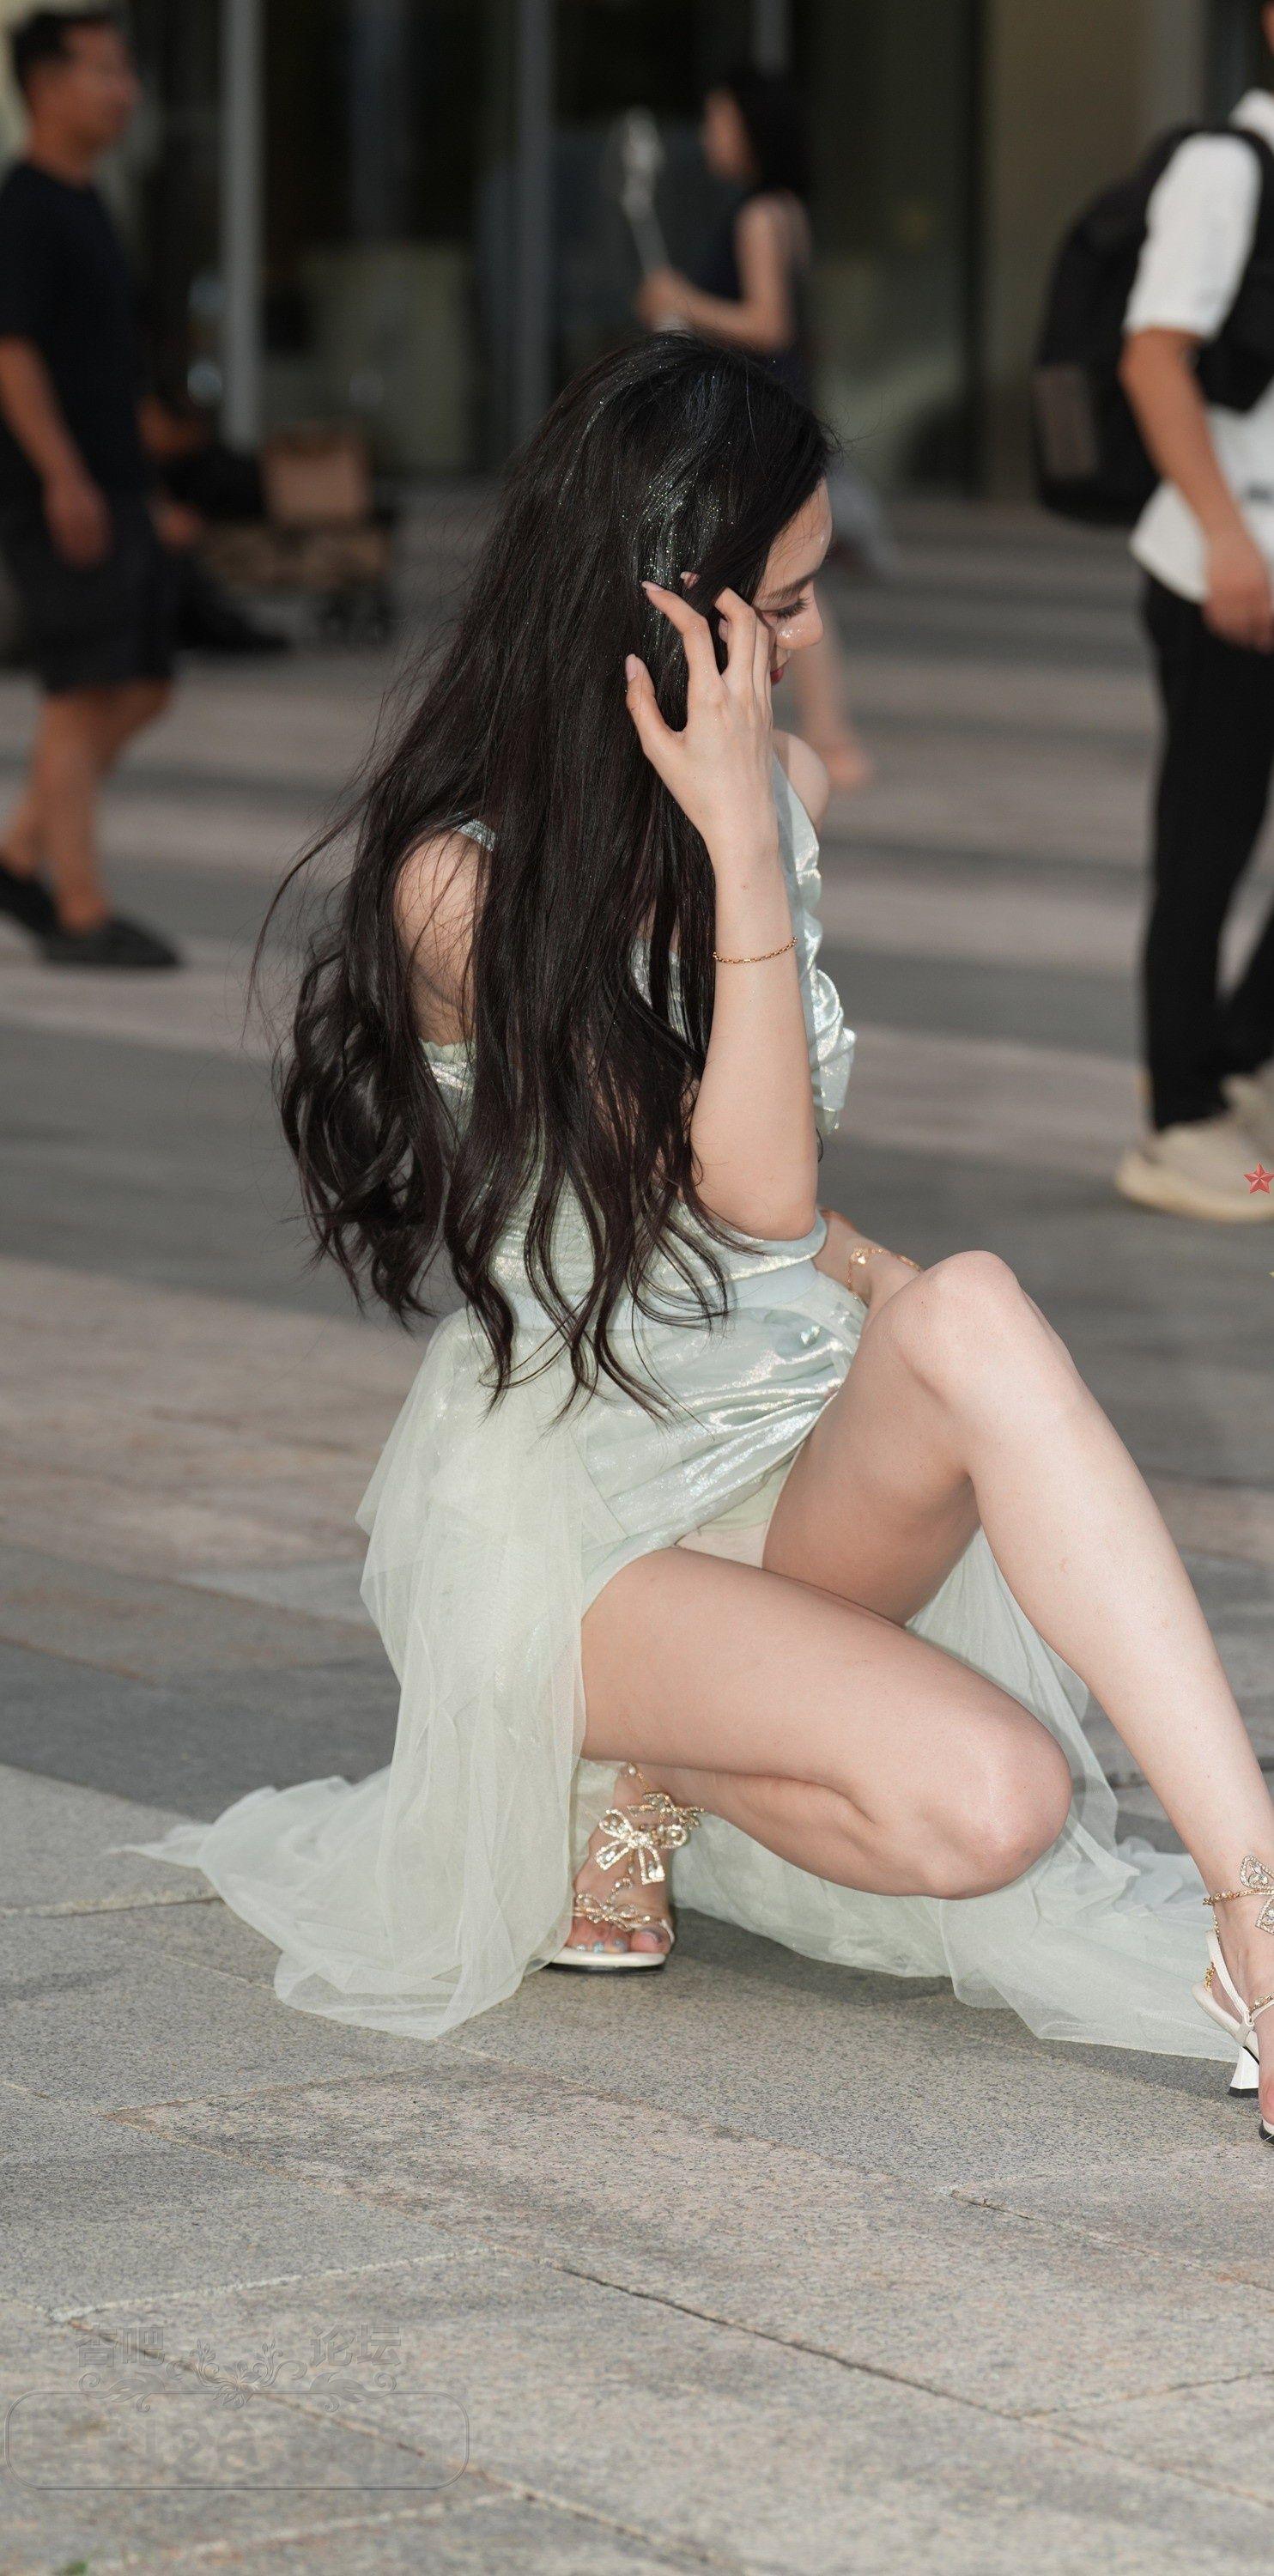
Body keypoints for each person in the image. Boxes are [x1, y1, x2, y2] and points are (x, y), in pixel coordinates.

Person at [125, 339, 1273, 2141]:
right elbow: (748, 1193)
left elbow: (777, 1224)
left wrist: (884, 1280)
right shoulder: (458, 880)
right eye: (784, 599)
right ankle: (615, 1741)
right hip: (580, 1519)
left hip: (783, 1431)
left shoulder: (779, 791)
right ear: (669, 601)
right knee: (995, 1804)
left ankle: (1252, 1904)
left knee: (972, 1307)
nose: (807, 638)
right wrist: (737, 838)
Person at [1116, 32, 1274, 1218]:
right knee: (1205, 849)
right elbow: (1153, 361)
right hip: (1225, 570)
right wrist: (1226, 540)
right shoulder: (1228, 168)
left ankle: (1236, 1060)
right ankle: (1177, 1115)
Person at [634, 64, 876, 794]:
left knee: (783, 578)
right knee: (783, 575)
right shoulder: (787, 210)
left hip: (756, 419)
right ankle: (818, 731)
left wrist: (680, 299)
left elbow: (769, 323)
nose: (710, 135)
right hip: (779, 409)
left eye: (719, 120)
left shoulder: (758, 216)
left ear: (750, 128)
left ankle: (827, 736)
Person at [0, 8, 180, 969]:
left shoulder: (86, 200)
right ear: (45, 85)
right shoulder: (25, 208)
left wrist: (146, 489)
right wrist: (64, 477)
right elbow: (11, 353)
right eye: (105, 71)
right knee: (81, 698)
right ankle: (78, 911)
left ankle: (18, 852)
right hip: (59, 494)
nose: (127, 91)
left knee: (145, 686)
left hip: (111, 487)